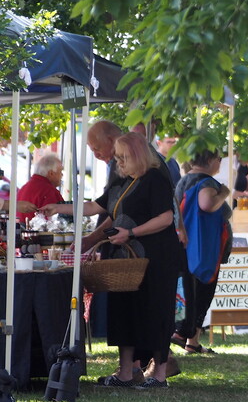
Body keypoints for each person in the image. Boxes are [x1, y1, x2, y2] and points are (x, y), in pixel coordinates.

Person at [43, 132, 183, 388]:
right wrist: (60, 207)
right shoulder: (120, 179)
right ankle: (127, 372)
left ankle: (160, 374)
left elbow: (165, 218)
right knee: (124, 309)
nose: (119, 162)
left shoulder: (155, 179)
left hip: (157, 256)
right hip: (126, 258)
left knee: (156, 310)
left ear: (138, 155)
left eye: (124, 158)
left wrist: (131, 233)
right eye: (117, 158)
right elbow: (97, 206)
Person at [172, 150, 232, 355]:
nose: (220, 163)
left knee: (188, 290)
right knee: (202, 291)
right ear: (208, 160)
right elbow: (206, 204)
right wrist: (224, 193)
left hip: (186, 245)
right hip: (203, 246)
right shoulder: (207, 182)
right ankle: (187, 335)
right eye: (218, 159)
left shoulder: (184, 180)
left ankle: (192, 340)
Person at [16, 153, 65, 222]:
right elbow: (57, 222)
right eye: (60, 171)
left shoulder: (24, 187)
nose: (62, 175)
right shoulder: (48, 191)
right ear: (51, 173)